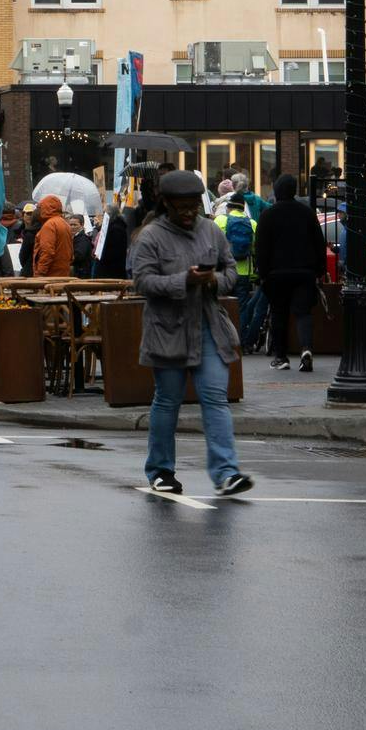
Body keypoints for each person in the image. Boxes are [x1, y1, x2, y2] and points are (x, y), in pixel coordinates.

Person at [128, 168, 253, 497]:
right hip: (167, 330)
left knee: (215, 398)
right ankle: (160, 471)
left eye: (193, 205)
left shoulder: (211, 231)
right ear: (166, 203)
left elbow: (230, 271)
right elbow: (141, 282)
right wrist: (184, 280)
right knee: (168, 401)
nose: (188, 212)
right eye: (181, 206)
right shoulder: (151, 236)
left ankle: (226, 473)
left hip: (208, 325)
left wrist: (214, 281)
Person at [254, 173, 325, 373]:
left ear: (277, 191)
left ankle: (281, 356)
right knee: (303, 312)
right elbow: (318, 243)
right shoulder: (307, 213)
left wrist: (263, 273)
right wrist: (319, 269)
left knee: (279, 313)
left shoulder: (268, 215)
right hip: (304, 272)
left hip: (276, 273)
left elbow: (261, 247)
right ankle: (306, 349)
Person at [214, 191, 262, 351]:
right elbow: (255, 250)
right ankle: (239, 342)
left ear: (228, 208)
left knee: (221, 305)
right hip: (243, 272)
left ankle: (221, 340)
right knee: (241, 307)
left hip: (223, 272)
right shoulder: (252, 223)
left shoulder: (220, 220)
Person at [30, 196, 74, 278]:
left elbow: (47, 251)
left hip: (50, 274)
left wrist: (40, 272)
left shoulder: (49, 225)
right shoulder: (64, 223)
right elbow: (70, 251)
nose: (39, 210)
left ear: (46, 208)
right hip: (63, 272)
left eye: (40, 207)